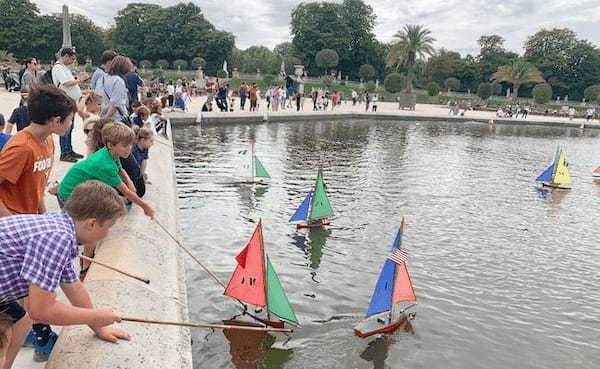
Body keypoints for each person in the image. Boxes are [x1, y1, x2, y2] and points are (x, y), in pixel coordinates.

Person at [0, 180, 131, 369]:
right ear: (92, 224)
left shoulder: (62, 227)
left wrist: (99, 326)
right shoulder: (57, 238)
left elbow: (74, 287)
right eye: (108, 227)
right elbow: (42, 310)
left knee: (22, 321)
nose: (108, 234)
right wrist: (96, 316)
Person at [0, 86, 76, 361]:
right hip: (16, 230)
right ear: (56, 121)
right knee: (34, 287)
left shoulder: (48, 142)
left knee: (36, 287)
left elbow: (37, 187)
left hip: (33, 221)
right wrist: (14, 226)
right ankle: (40, 335)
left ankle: (33, 333)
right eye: (68, 119)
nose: (70, 124)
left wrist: (44, 218)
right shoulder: (20, 146)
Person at [52, 47, 84, 162]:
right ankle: (64, 153)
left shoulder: (64, 68)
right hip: (64, 101)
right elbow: (66, 83)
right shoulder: (58, 68)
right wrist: (79, 80)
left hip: (70, 101)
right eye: (72, 59)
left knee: (70, 127)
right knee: (65, 127)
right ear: (65, 56)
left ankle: (69, 149)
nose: (72, 61)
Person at [96, 55, 133, 125]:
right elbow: (115, 104)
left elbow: (97, 98)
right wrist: (105, 120)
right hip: (116, 119)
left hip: (102, 114)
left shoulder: (102, 79)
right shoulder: (119, 81)